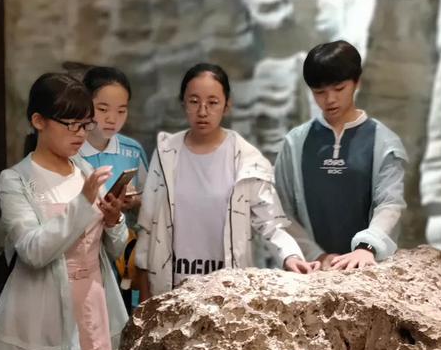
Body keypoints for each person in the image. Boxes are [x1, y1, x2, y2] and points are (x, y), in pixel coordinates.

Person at [0, 73, 129, 350]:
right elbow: (33, 251)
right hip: (41, 312)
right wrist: (83, 202)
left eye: (85, 124)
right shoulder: (16, 180)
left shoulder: (83, 169)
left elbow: (114, 249)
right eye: (71, 125)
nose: (81, 134)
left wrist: (113, 220)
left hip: (94, 303)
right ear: (39, 121)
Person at [136, 63, 319, 301]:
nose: (203, 111)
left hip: (226, 294)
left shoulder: (247, 160)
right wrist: (144, 293)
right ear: (183, 103)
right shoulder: (165, 154)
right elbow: (147, 226)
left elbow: (271, 224)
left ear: (227, 105)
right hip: (170, 291)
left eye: (213, 102)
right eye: (194, 101)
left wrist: (290, 256)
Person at [274, 40, 408, 271]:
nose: (330, 99)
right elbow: (281, 210)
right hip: (311, 270)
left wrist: (366, 247)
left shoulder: (383, 141)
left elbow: (390, 203)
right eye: (320, 92)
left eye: (338, 88)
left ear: (357, 82)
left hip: (370, 268)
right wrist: (316, 255)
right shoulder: (295, 142)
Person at [79, 67, 149, 312]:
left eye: (121, 110)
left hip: (119, 259)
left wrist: (134, 201)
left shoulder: (132, 151)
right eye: (103, 109)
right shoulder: (71, 150)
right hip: (80, 257)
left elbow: (150, 198)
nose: (112, 118)